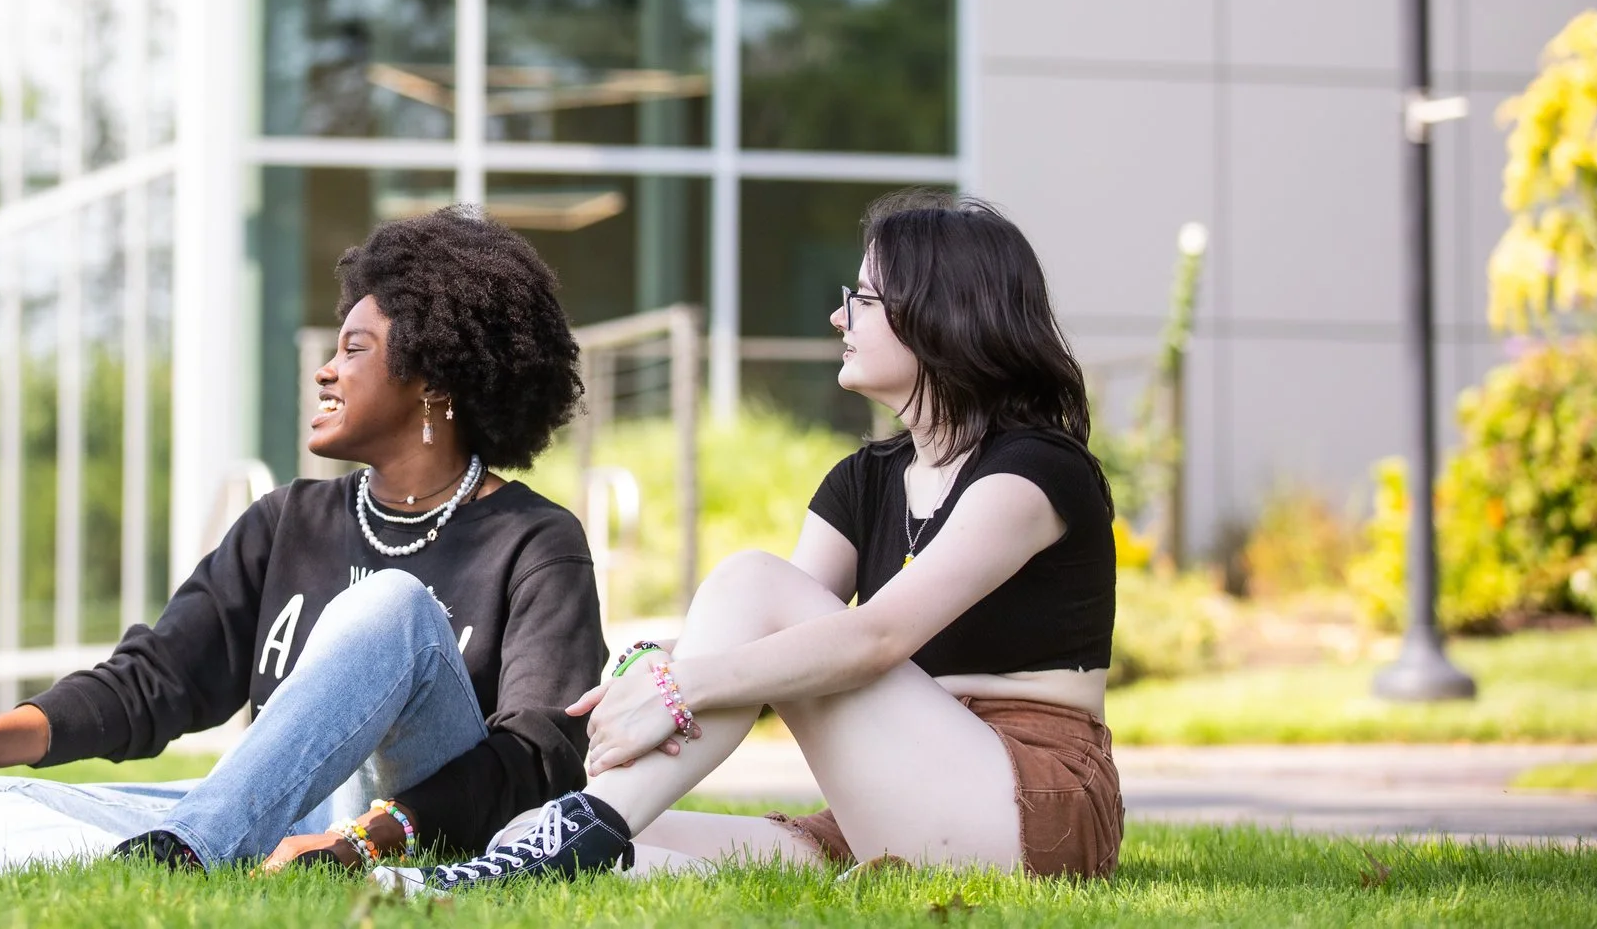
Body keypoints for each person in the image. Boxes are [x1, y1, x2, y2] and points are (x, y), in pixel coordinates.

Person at [405, 190, 1121, 890]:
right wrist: (646, 669)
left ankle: (583, 825)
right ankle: (561, 839)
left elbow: (875, 637)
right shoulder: (866, 479)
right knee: (549, 834)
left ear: (940, 312)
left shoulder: (1034, 470)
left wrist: (678, 687)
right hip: (886, 803)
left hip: (1028, 803)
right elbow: (762, 644)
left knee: (752, 577)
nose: (838, 314)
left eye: (863, 298)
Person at [0, 206, 605, 873]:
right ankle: (194, 843)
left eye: (354, 349)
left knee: (394, 606)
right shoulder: (285, 520)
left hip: (415, 821)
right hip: (269, 816)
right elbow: (152, 681)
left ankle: (186, 851)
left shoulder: (536, 541)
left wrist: (365, 838)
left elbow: (539, 758)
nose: (326, 369)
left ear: (434, 382)